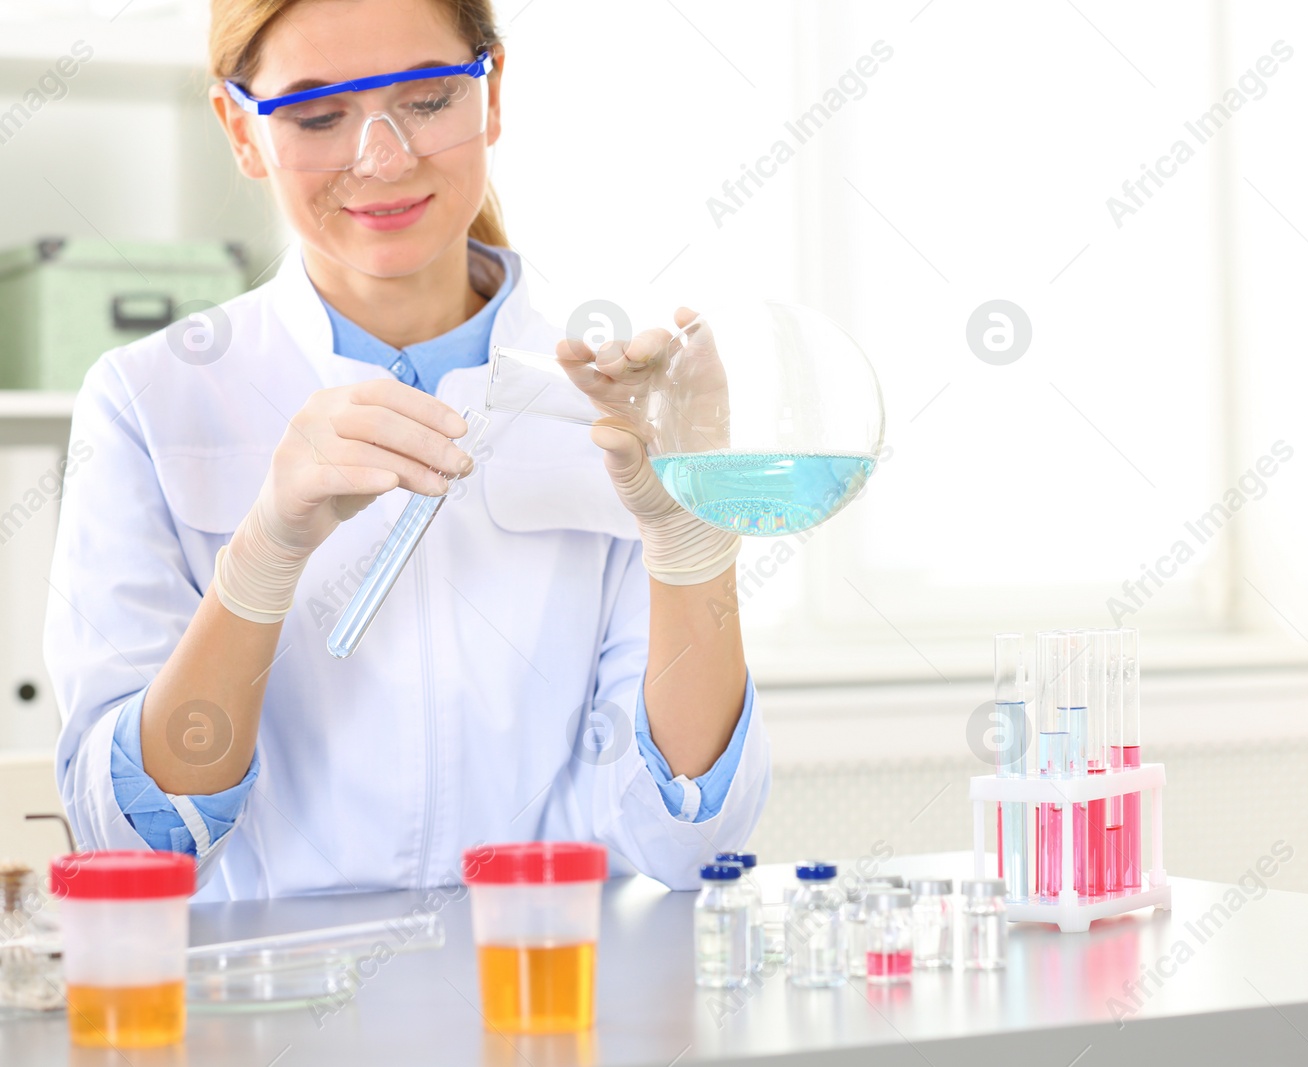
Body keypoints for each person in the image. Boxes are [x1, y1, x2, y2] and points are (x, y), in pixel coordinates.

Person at [43, 0, 768, 899]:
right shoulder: (150, 399)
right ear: (240, 126)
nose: (382, 159)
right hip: (272, 1027)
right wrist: (262, 558)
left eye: (426, 100)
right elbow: (133, 849)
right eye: (317, 115)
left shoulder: (607, 404)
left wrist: (696, 544)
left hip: (548, 999)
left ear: (490, 93)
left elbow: (688, 847)